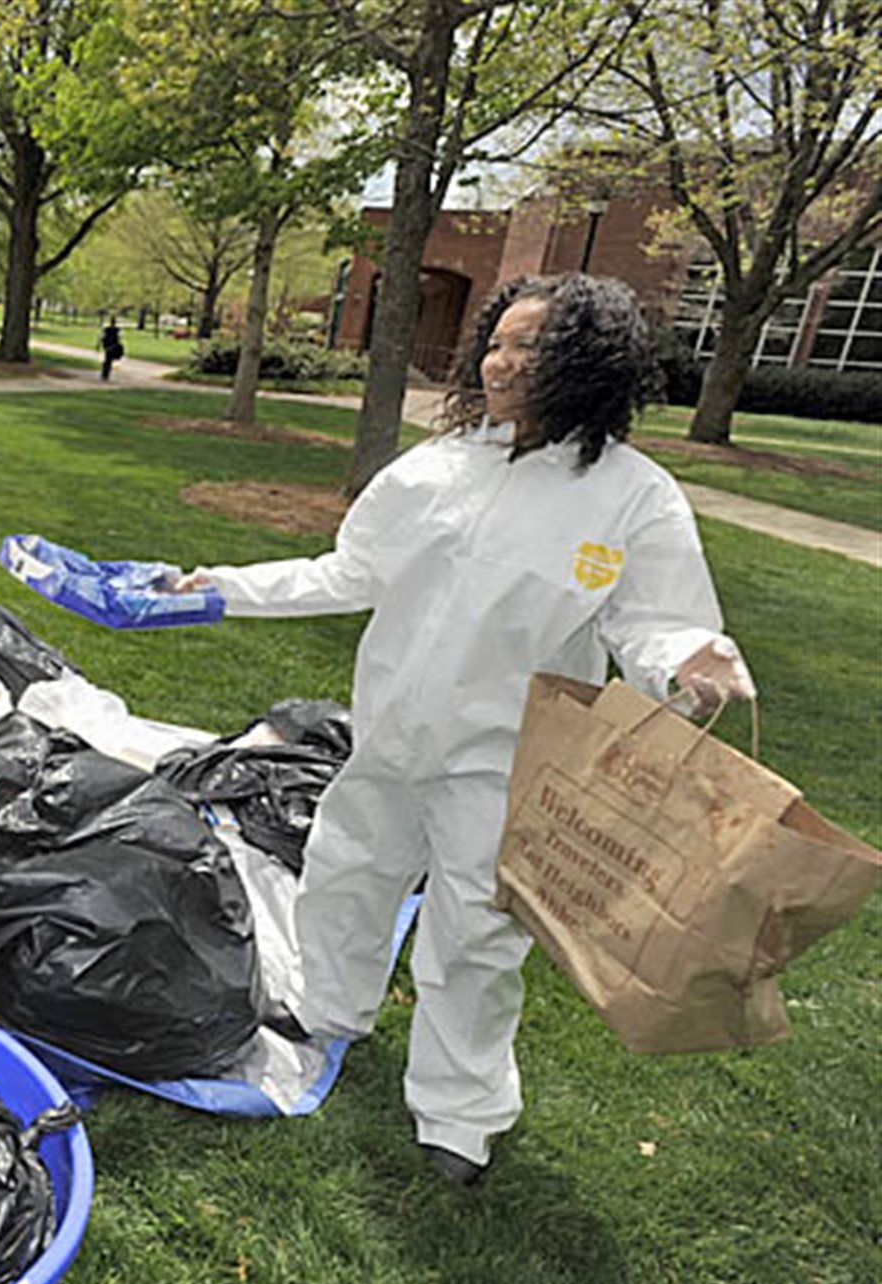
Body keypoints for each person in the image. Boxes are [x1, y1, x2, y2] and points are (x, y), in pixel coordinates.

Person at [171, 274, 756, 1185]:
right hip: (391, 733)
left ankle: (459, 1116)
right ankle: (328, 1008)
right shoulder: (438, 467)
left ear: (590, 366)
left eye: (533, 347)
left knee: (474, 941)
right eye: (498, 341)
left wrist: (689, 660)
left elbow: (651, 620)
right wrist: (220, 587)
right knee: (345, 871)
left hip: (506, 758)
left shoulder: (631, 497)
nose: (503, 362)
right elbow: (348, 572)